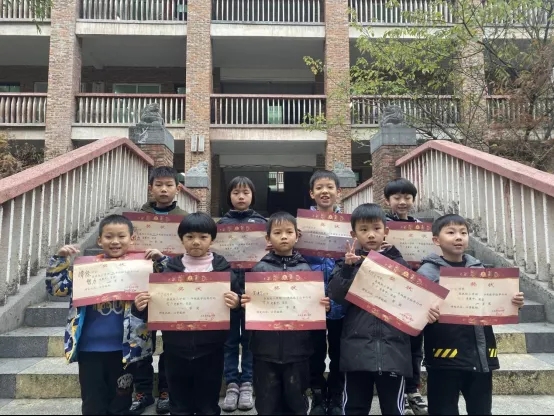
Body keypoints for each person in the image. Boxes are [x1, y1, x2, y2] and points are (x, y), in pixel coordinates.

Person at [328, 203, 440, 415]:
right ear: (353, 234)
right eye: (363, 229)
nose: (371, 234)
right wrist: (348, 269)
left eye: (376, 228)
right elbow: (337, 296)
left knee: (393, 409)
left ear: (386, 231)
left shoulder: (399, 263)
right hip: (357, 350)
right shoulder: (347, 262)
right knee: (354, 407)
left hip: (393, 351)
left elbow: (413, 299)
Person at [134, 212, 241, 415]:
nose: (196, 242)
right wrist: (141, 306)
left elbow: (238, 306)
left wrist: (236, 304)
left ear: (212, 239)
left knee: (208, 404)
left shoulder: (223, 270)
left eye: (203, 237)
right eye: (190, 237)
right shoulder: (169, 270)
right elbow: (158, 306)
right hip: (175, 348)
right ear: (181, 239)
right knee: (179, 403)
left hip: (211, 348)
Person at [45, 214, 153, 415]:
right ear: (99, 240)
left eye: (121, 236)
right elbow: (57, 289)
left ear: (132, 239)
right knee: (93, 402)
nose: (115, 241)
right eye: (109, 236)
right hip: (90, 350)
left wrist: (160, 261)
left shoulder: (140, 269)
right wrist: (60, 259)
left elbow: (163, 292)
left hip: (125, 350)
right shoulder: (86, 268)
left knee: (121, 401)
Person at [418, 214, 524, 415]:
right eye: (451, 232)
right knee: (443, 409)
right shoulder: (427, 273)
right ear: (436, 240)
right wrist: (427, 314)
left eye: (463, 232)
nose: (458, 237)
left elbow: (493, 304)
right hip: (444, 358)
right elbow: (417, 311)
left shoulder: (480, 270)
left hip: (480, 356)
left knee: (481, 410)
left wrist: (513, 302)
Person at [242, 211, 331, 415]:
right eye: (277, 232)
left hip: (298, 350)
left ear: (297, 236)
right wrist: (246, 303)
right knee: (267, 402)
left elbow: (313, 306)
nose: (284, 237)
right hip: (265, 350)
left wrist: (323, 306)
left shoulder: (306, 270)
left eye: (289, 232)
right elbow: (250, 304)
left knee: (296, 401)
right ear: (268, 238)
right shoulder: (259, 270)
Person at [132, 165, 188, 415]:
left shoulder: (185, 218)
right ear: (150, 188)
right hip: (141, 289)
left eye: (169, 185)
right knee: (141, 341)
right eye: (159, 185)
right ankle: (143, 391)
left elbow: (192, 252)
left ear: (178, 188)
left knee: (171, 343)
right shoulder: (137, 219)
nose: (164, 190)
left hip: (173, 289)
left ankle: (166, 389)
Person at [218, 176, 267, 412]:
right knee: (229, 341)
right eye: (236, 192)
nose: (240, 197)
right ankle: (231, 384)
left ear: (252, 196)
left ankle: (247, 382)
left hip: (252, 292)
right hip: (227, 292)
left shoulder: (263, 224)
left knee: (249, 340)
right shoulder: (221, 226)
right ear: (229, 196)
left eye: (245, 192)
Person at [304, 170, 345, 416]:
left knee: (340, 352)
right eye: (319, 187)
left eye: (330, 187)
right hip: (312, 299)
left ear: (338, 192)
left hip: (342, 301)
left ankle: (337, 396)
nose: (325, 192)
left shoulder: (349, 225)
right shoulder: (302, 224)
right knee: (314, 352)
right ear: (312, 193)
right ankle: (318, 395)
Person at [383, 178, 426, 416]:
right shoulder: (383, 226)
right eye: (397, 197)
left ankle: (413, 390)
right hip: (390, 293)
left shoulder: (420, 228)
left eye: (407, 197)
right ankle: (398, 389)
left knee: (415, 345)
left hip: (415, 293)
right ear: (387, 200)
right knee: (396, 344)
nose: (402, 202)